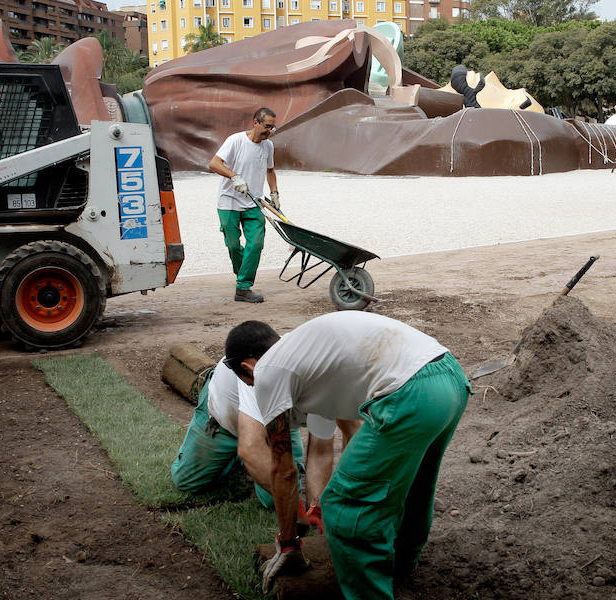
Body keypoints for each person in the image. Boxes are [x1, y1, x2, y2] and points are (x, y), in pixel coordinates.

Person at [223, 314, 472, 599]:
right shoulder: (306, 354)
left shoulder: (267, 370)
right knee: (414, 487)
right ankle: (400, 569)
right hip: (449, 377)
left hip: (411, 393)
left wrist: (288, 543)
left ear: (248, 367)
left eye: (249, 383)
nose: (255, 388)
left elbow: (284, 470)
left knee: (343, 506)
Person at [171, 357, 358, 513]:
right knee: (187, 482)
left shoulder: (327, 388)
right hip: (224, 419)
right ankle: (236, 458)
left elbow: (322, 451)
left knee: (274, 500)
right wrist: (298, 513)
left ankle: (250, 459)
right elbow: (250, 447)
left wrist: (315, 507)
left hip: (277, 425)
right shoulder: (261, 376)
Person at [208, 107, 281, 303]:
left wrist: (274, 192)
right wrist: (234, 176)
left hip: (254, 202)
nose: (270, 131)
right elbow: (214, 164)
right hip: (228, 201)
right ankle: (243, 274)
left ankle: (243, 288)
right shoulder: (235, 141)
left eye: (273, 128)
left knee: (255, 244)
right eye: (267, 126)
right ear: (255, 122)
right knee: (233, 246)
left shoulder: (268, 147)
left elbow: (270, 171)